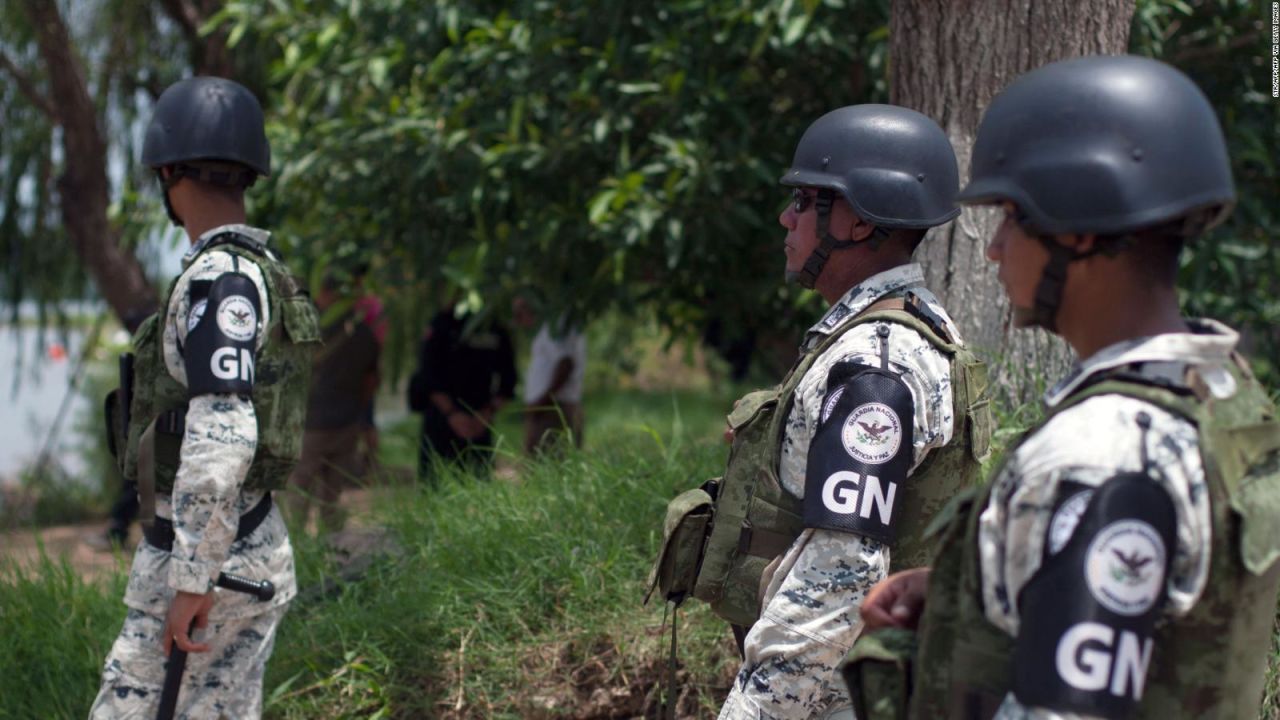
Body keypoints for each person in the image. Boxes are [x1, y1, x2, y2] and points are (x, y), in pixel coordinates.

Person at [851, 55, 1280, 720]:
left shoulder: (1104, 453)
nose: (993, 248)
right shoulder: (1220, 396)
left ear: (1078, 228)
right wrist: (972, 587)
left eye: (1013, 216)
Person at [695, 105, 993, 720]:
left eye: (806, 200)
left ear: (857, 221)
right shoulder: (909, 325)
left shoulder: (875, 365)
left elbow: (842, 571)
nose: (787, 218)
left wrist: (756, 709)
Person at [91, 76, 318, 719]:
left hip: (212, 565)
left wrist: (193, 579)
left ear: (166, 171)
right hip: (242, 546)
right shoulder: (250, 271)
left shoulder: (219, 281)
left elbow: (224, 430)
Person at [287, 274, 380, 533]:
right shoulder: (363, 333)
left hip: (311, 425)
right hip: (347, 424)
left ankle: (297, 548)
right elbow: (372, 380)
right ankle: (332, 548)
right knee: (332, 494)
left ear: (324, 294)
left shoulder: (309, 329)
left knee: (298, 493)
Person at [407, 306, 516, 481]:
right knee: (435, 484)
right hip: (440, 422)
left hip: (479, 423)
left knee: (479, 487)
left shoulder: (493, 325)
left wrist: (485, 415)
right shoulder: (441, 323)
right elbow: (426, 376)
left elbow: (508, 379)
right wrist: (452, 414)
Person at [513, 296, 586, 455]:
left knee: (549, 465)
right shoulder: (546, 329)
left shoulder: (555, 326)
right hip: (548, 407)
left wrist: (543, 401)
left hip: (554, 409)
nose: (518, 320)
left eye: (520, 312)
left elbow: (566, 364)